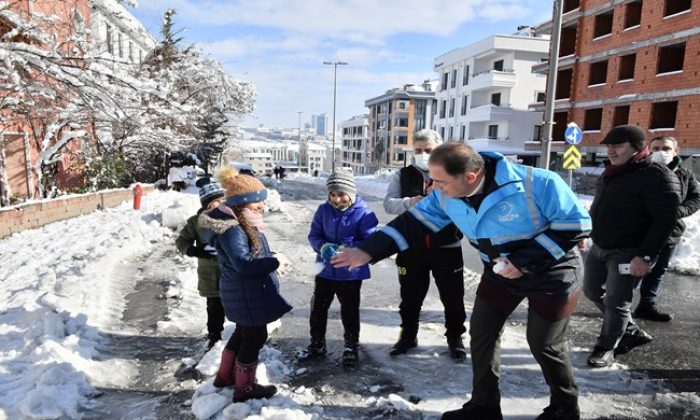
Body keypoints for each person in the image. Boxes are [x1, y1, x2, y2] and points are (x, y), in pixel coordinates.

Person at [333, 142, 591, 420]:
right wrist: (367, 251)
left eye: (440, 181)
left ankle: (564, 408)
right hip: (500, 272)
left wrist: (523, 262)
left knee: (543, 344)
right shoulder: (446, 194)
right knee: (482, 335)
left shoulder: (538, 183)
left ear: (471, 176)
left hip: (553, 273)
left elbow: (575, 226)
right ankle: (484, 407)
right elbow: (412, 223)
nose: (433, 187)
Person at [583, 125, 680, 368]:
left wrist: (645, 256)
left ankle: (607, 347)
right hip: (600, 246)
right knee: (592, 290)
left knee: (617, 301)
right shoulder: (613, 171)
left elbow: (664, 221)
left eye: (617, 146)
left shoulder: (656, 175)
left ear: (637, 148)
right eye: (608, 146)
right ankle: (629, 330)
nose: (611, 151)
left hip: (629, 251)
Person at [199, 167, 293, 402]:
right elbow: (243, 263)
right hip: (245, 292)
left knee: (243, 332)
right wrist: (273, 262)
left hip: (243, 292)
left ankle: (224, 376)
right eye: (256, 204)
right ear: (240, 204)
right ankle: (245, 386)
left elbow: (252, 253)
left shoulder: (243, 222)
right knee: (255, 336)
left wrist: (272, 256)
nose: (261, 207)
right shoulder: (234, 230)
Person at [382, 129, 466, 361]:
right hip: (411, 248)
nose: (422, 154)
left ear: (439, 150)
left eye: (428, 150)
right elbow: (389, 205)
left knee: (452, 297)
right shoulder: (403, 175)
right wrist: (411, 202)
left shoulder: (453, 173)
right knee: (410, 297)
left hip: (446, 248)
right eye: (418, 150)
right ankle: (408, 336)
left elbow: (466, 205)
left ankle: (455, 338)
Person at [297, 169, 378, 367]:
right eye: (332, 194)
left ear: (350, 192)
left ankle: (351, 347)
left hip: (350, 272)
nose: (336, 198)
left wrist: (348, 248)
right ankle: (317, 345)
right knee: (318, 308)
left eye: (341, 194)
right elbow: (314, 235)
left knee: (349, 310)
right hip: (325, 269)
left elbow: (370, 240)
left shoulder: (364, 213)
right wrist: (322, 246)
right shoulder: (323, 210)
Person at [633, 136, 700, 321]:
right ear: (648, 149)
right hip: (642, 233)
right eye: (655, 148)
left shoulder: (684, 174)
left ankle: (646, 305)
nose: (661, 152)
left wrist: (677, 212)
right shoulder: (639, 170)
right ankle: (618, 308)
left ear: (675, 152)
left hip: (671, 232)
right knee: (633, 271)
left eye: (666, 148)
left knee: (658, 271)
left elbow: (696, 198)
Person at [175, 180, 226, 349]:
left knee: (237, 303)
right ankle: (214, 336)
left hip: (231, 272)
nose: (219, 205)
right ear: (206, 205)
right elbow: (182, 241)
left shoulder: (233, 219)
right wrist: (195, 251)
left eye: (222, 201)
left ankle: (241, 332)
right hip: (210, 274)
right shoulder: (196, 222)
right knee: (214, 307)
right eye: (214, 202)